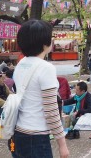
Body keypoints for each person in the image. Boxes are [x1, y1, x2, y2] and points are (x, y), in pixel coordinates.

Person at [12, 19, 69, 158]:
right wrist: (62, 144)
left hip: (18, 132)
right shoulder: (46, 68)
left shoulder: (21, 64)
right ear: (45, 43)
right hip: (36, 136)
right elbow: (51, 110)